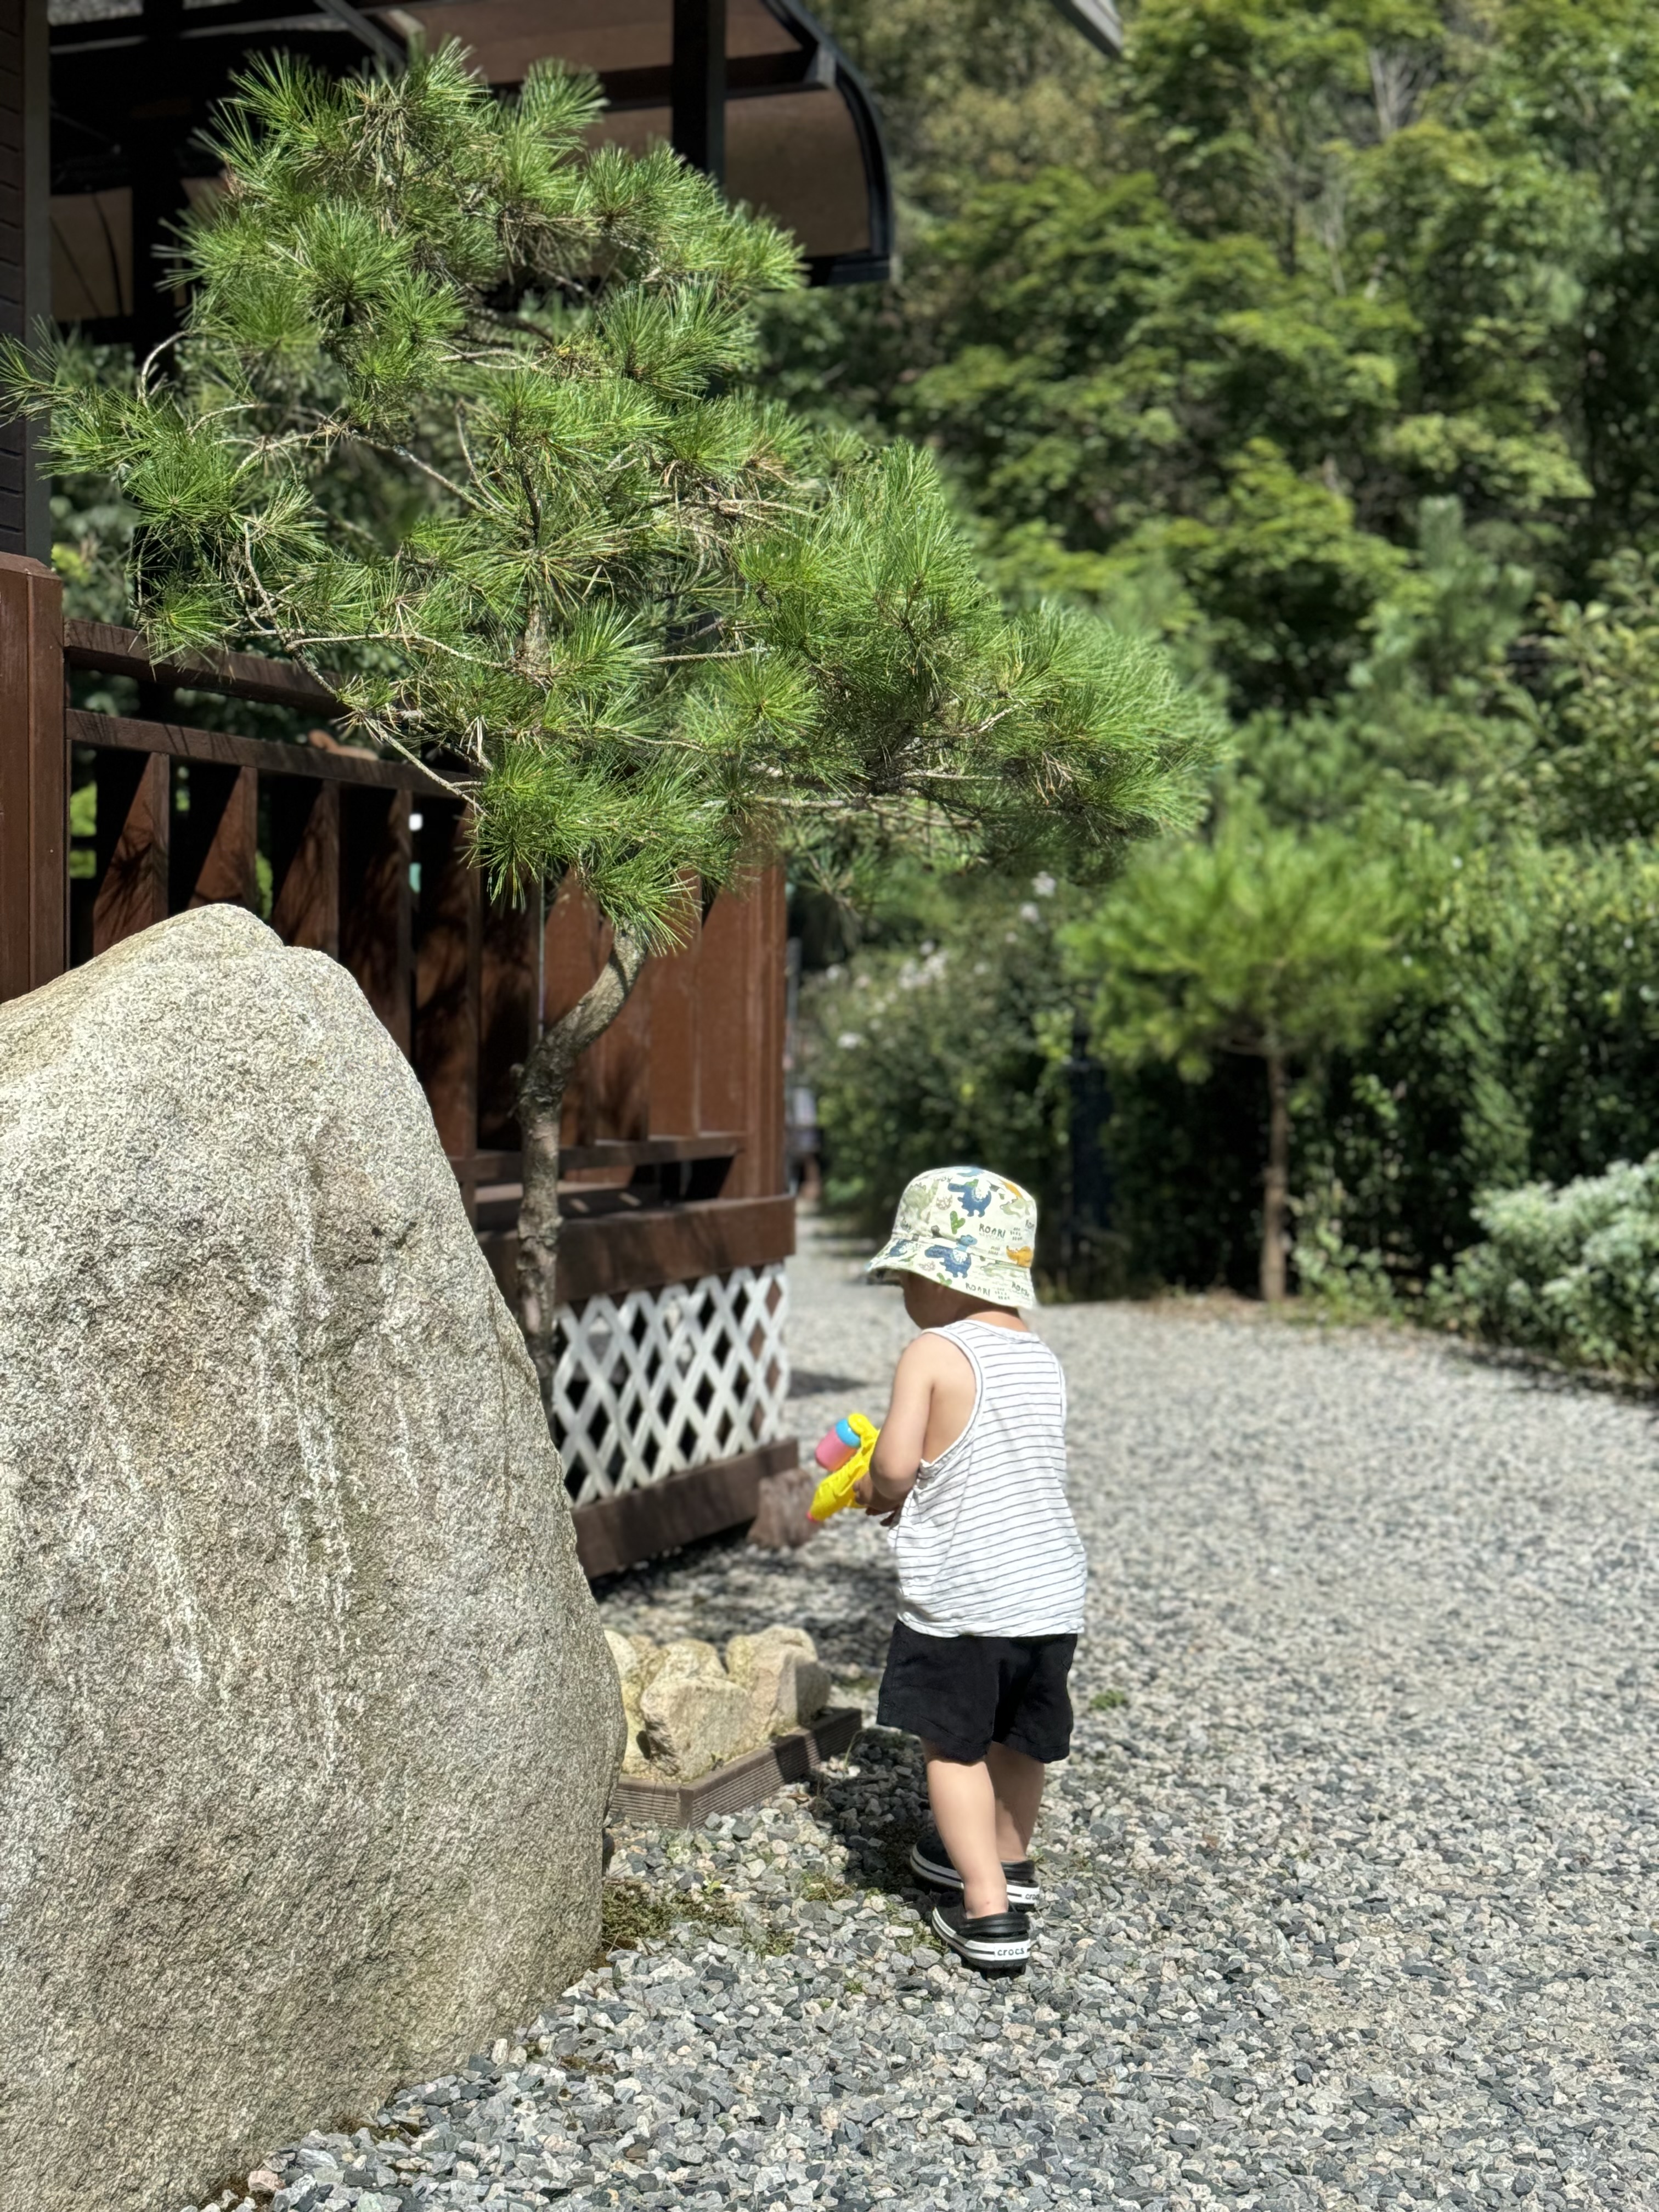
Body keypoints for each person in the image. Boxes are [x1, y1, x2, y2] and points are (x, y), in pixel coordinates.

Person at [854, 1166, 1087, 1974]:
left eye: (907, 1279)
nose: (904, 1296)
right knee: (1022, 1741)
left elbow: (894, 1466)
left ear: (941, 1278)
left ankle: (985, 1910)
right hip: (1049, 1594)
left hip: (965, 1599)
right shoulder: (1042, 1358)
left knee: (953, 1748)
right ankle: (1009, 1865)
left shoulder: (933, 1350)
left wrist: (877, 1493)